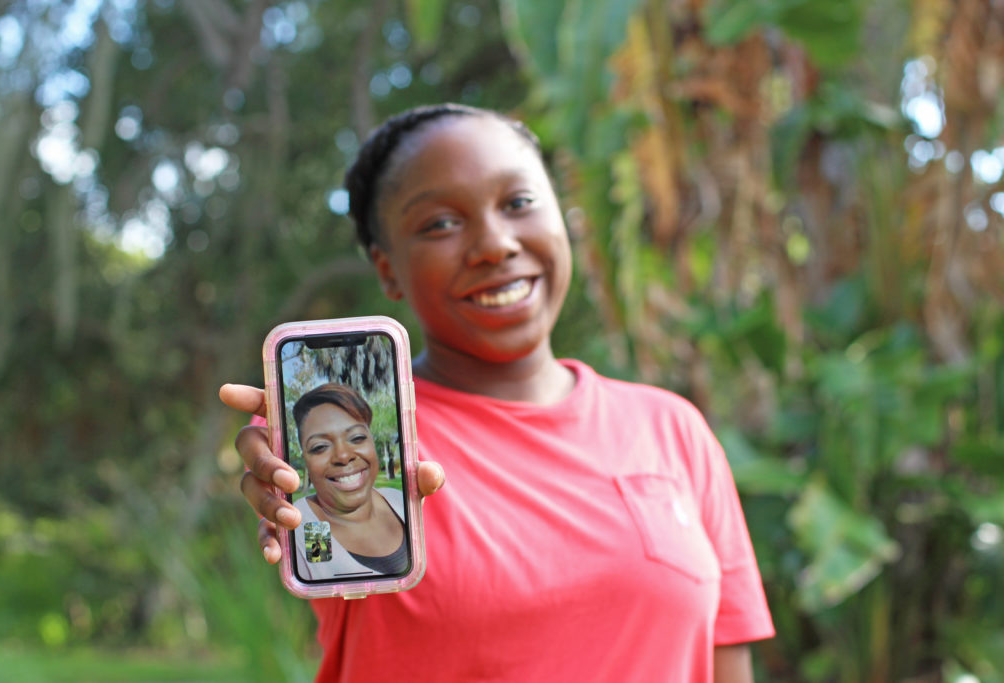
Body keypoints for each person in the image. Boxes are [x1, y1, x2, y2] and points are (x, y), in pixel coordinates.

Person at [220, 103, 775, 682]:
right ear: (388, 270)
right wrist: (286, 491)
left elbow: (726, 657)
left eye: (519, 203)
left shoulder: (671, 428)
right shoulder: (357, 440)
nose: (495, 244)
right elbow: (317, 513)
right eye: (440, 223)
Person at [290, 383, 408, 579]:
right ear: (305, 459)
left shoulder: (399, 501)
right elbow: (322, 572)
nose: (343, 456)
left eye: (357, 437)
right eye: (320, 447)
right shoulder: (308, 522)